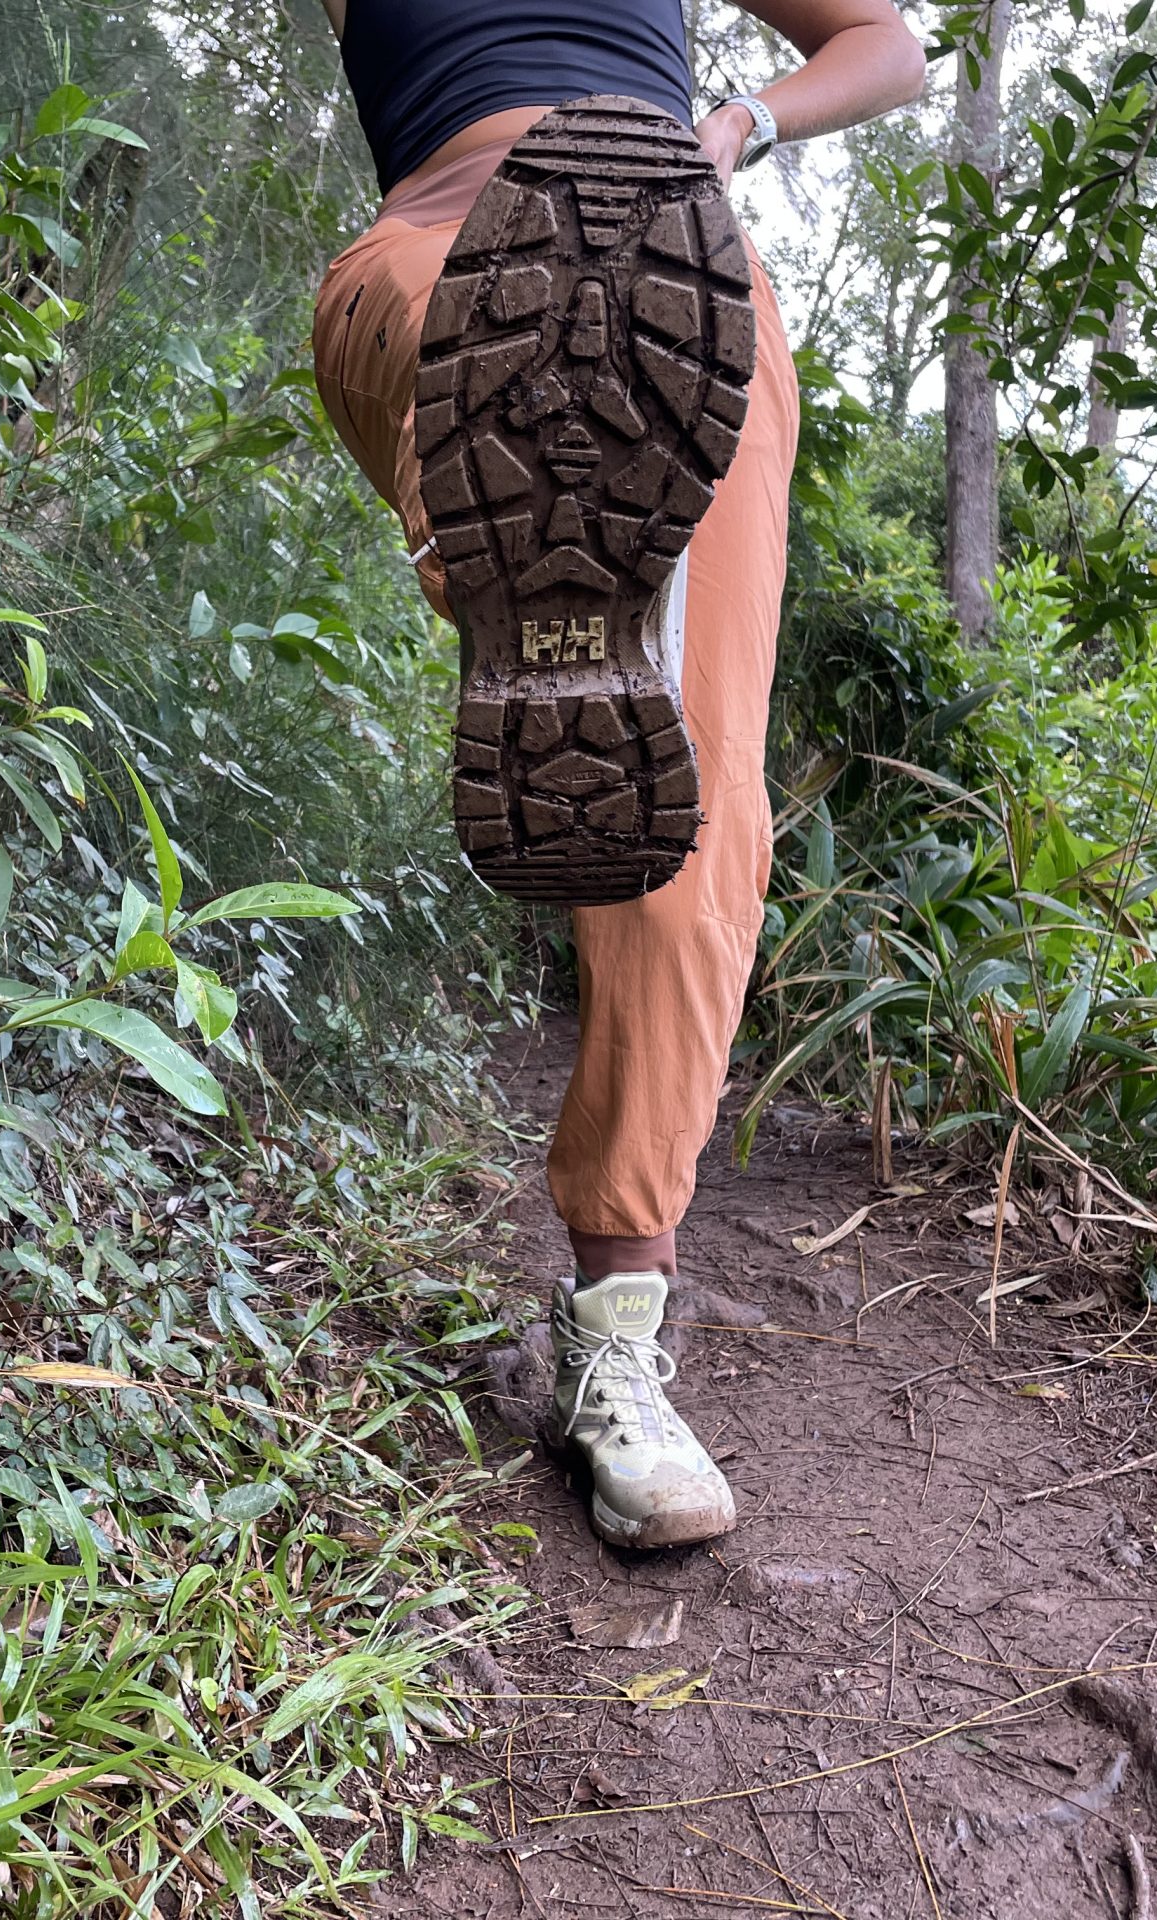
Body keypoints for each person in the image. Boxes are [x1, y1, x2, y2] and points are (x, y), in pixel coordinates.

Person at [311, 0, 925, 1548]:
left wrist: (739, 128)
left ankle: (619, 1344)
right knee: (628, 704)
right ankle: (519, 514)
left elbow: (890, 44)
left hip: (684, 311)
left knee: (692, 794)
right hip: (430, 275)